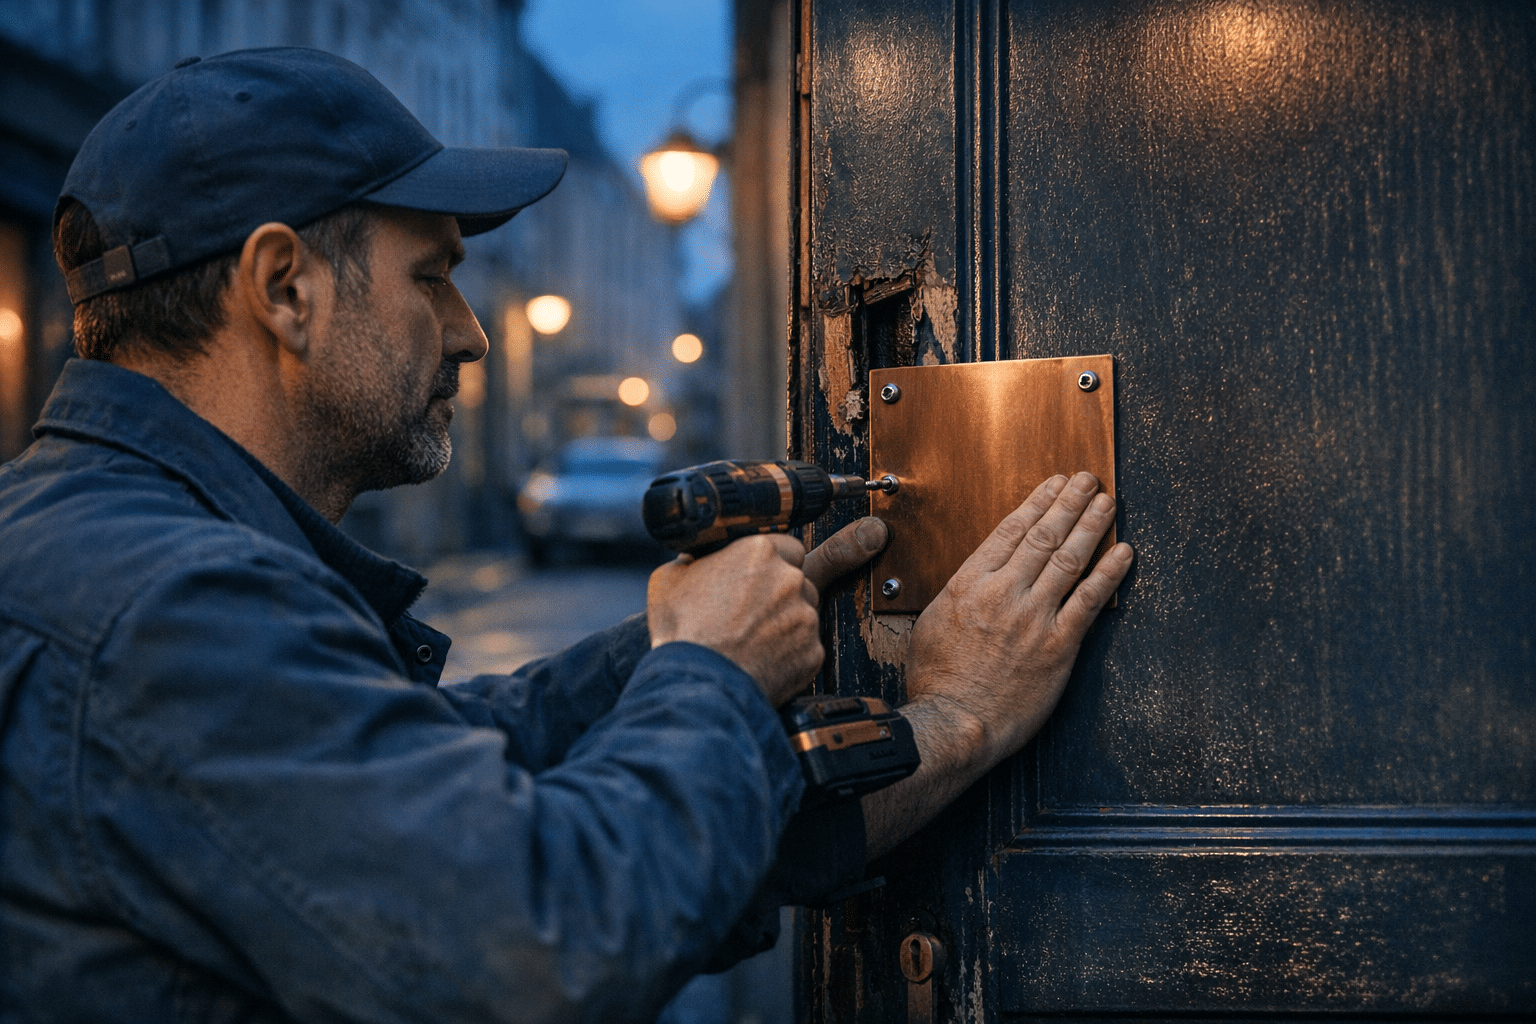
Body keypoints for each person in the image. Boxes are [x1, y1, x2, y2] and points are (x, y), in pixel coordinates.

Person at [0, 48, 1133, 1023]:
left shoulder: (102, 546)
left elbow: (461, 776)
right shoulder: (162, 606)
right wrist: (717, 670)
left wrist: (691, 657)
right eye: (432, 277)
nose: (470, 334)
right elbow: (539, 944)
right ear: (284, 287)